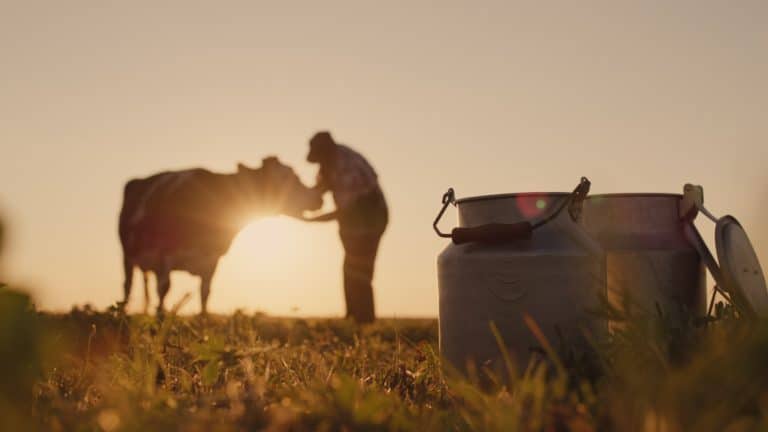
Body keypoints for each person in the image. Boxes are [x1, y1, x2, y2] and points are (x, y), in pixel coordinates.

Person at [303, 131, 388, 323]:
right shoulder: (329, 164)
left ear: (325, 152)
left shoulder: (347, 167)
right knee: (351, 269)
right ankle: (353, 319)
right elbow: (317, 191)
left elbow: (344, 211)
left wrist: (311, 220)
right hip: (353, 223)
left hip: (370, 220)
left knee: (359, 271)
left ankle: (363, 321)